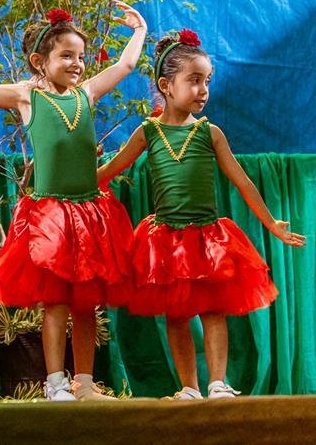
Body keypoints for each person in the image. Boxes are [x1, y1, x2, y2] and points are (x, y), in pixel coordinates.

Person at [98, 28, 305, 399]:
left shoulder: (211, 133)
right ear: (166, 85)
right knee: (176, 315)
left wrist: (271, 222)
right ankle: (189, 387)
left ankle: (217, 383)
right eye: (194, 80)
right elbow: (111, 170)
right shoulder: (148, 132)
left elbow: (242, 182)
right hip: (166, 240)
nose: (204, 89)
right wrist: (69, 183)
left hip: (208, 238)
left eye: (207, 80)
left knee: (212, 311)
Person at [0, 4, 146, 401]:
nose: (77, 64)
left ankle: (85, 383)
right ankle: (55, 382)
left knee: (87, 302)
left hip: (90, 212)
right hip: (51, 215)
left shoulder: (86, 92)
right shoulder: (28, 96)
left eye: (81, 56)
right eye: (66, 55)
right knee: (56, 302)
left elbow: (126, 65)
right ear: (39, 61)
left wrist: (139, 30)